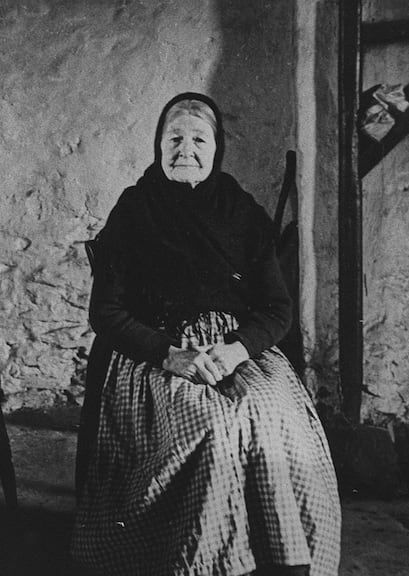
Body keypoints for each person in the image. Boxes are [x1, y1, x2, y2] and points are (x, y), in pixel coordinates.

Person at [70, 93, 341, 576]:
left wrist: (238, 350)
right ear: (158, 144)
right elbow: (105, 312)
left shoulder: (244, 213)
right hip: (155, 349)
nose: (185, 148)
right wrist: (169, 355)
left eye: (199, 138)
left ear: (217, 149)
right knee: (212, 428)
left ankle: (284, 561)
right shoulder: (134, 210)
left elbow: (278, 310)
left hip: (235, 347)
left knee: (273, 419)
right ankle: (209, 564)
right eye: (174, 137)